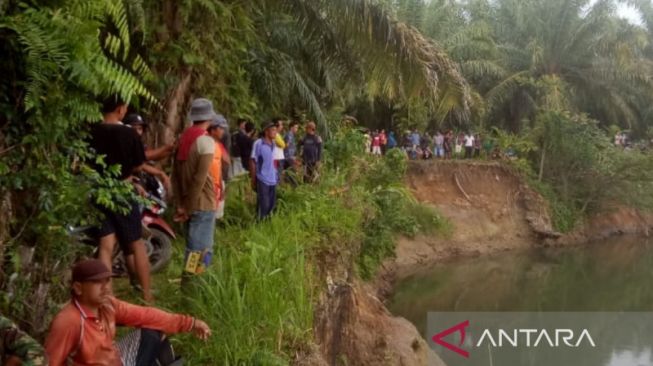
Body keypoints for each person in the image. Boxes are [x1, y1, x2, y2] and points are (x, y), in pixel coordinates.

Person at [45, 259, 211, 366]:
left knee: (152, 332)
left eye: (107, 281)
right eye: (96, 282)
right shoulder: (69, 321)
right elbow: (50, 361)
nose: (105, 287)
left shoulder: (108, 305)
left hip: (114, 359)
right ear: (78, 288)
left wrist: (190, 323)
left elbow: (146, 315)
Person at [89, 95, 152, 302]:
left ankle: (108, 297)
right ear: (120, 109)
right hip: (122, 191)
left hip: (99, 192)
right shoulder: (128, 133)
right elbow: (139, 165)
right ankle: (147, 295)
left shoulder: (92, 130)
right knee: (136, 244)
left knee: (105, 245)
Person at [172, 98, 217, 278]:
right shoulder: (206, 142)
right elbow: (199, 179)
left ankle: (189, 283)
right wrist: (188, 208)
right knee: (202, 251)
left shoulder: (182, 138)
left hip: (186, 202)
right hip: (203, 204)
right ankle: (194, 284)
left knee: (192, 249)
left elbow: (174, 175)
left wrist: (180, 204)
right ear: (209, 118)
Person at [124, 114, 172, 194]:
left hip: (141, 179)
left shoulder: (140, 144)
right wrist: (166, 148)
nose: (137, 132)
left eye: (140, 129)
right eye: (134, 128)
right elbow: (144, 157)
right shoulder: (125, 143)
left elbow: (154, 157)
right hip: (129, 181)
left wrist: (171, 150)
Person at [250, 122, 279, 219]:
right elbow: (253, 160)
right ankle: (259, 223)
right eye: (273, 130)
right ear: (266, 131)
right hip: (262, 178)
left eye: (276, 130)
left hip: (272, 178)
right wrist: (253, 178)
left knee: (271, 204)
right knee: (263, 204)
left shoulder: (273, 144)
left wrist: (276, 174)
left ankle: (267, 225)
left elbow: (273, 161)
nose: (276, 132)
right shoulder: (259, 143)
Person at [207, 114, 228, 220]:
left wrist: (220, 185)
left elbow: (219, 166)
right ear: (213, 129)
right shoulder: (206, 144)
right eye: (221, 128)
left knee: (213, 216)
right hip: (207, 187)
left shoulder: (218, 145)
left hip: (216, 186)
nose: (223, 131)